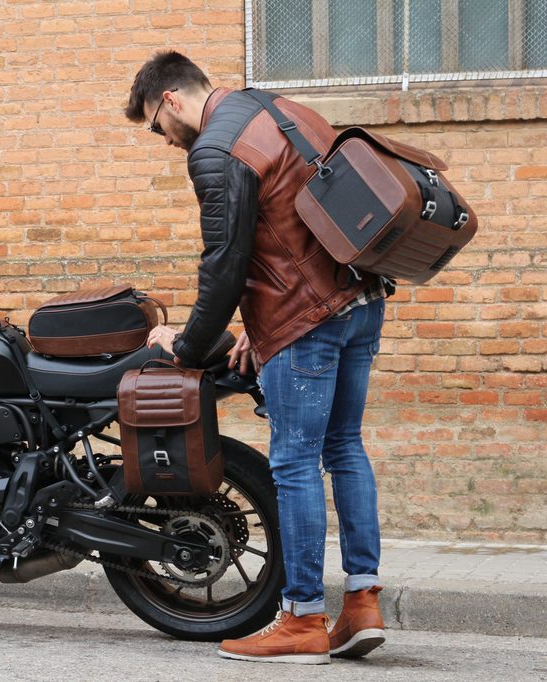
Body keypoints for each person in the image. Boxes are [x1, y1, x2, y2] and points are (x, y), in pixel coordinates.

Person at [127, 51, 389, 665]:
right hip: (360, 301)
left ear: (170, 99)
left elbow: (224, 265)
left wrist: (187, 349)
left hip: (308, 323)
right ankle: (362, 603)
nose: (164, 140)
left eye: (156, 125)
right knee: (344, 448)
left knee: (294, 463)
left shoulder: (215, 148)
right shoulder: (279, 109)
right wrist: (261, 321)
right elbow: (293, 225)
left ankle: (302, 619)